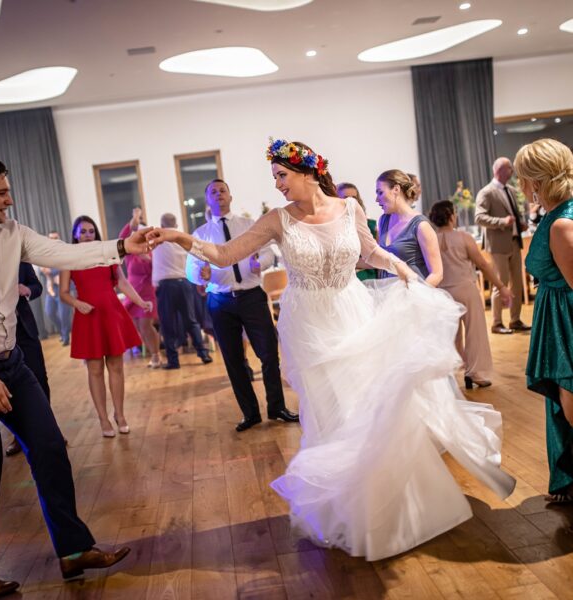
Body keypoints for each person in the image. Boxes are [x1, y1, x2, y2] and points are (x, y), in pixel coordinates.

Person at [147, 139, 515, 561]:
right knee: (335, 415)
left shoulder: (350, 208)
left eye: (282, 175)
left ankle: (388, 505)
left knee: (369, 409)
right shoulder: (277, 219)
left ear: (307, 171)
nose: (278, 184)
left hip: (352, 312)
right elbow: (225, 253)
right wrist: (179, 237)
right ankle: (350, 510)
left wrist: (401, 268)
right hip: (309, 327)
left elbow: (370, 251)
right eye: (275, 178)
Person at [0, 159, 151, 596]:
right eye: (1, 192)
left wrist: (123, 247)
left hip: (11, 363)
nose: (10, 199)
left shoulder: (13, 233)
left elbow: (67, 255)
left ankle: (73, 550)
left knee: (50, 448)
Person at [186, 178, 298, 432]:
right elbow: (191, 269)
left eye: (222, 190)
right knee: (234, 360)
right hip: (220, 301)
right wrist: (200, 275)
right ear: (208, 200)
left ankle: (277, 407)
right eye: (213, 192)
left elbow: (268, 251)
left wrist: (262, 263)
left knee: (268, 353)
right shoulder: (201, 234)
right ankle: (250, 414)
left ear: (230, 196)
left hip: (252, 296)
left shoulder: (249, 225)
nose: (218, 194)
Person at [514, 139, 573, 503]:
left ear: (536, 181)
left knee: (571, 403)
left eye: (523, 178)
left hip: (566, 323)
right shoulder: (557, 214)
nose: (520, 185)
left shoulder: (561, 223)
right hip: (557, 318)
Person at [60, 215, 151, 438]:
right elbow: (63, 293)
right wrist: (77, 303)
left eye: (91, 231)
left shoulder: (106, 254)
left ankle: (120, 415)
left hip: (111, 313)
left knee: (116, 367)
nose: (87, 235)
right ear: (75, 235)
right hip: (88, 316)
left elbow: (122, 282)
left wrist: (140, 302)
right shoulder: (68, 259)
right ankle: (103, 419)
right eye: (83, 231)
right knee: (95, 370)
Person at [429, 201, 513, 389]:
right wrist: (501, 286)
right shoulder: (463, 237)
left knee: (450, 335)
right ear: (451, 216)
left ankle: (450, 374)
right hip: (466, 289)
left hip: (442, 292)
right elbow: (483, 265)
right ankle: (475, 373)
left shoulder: (430, 239)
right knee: (475, 332)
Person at [475, 158, 531, 334]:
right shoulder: (486, 192)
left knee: (517, 284)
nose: (512, 172)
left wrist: (520, 225)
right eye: (509, 168)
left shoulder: (511, 190)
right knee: (500, 284)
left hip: (515, 242)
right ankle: (497, 323)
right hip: (498, 246)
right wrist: (502, 222)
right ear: (499, 170)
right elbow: (479, 218)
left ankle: (515, 320)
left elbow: (513, 215)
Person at [4, 262, 53, 458]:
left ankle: (49, 431)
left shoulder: (19, 259)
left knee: (40, 379)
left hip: (25, 330)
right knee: (8, 386)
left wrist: (27, 289)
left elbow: (37, 286)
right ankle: (19, 436)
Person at [152, 212, 212, 369]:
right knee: (191, 321)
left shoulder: (158, 240)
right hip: (185, 283)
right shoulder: (183, 238)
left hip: (166, 286)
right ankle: (203, 354)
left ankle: (173, 361)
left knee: (167, 323)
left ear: (162, 225)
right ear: (177, 224)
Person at [375, 169, 443, 287]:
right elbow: (379, 259)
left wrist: (416, 294)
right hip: (387, 293)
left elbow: (437, 274)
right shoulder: (383, 220)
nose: (377, 199)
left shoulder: (421, 225)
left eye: (380, 192)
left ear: (396, 190)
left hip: (414, 293)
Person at [119, 208, 161, 368]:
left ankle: (156, 356)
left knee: (145, 325)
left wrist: (148, 259)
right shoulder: (130, 252)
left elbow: (159, 269)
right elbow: (123, 235)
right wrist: (135, 216)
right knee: (139, 327)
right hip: (132, 293)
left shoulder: (153, 252)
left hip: (147, 293)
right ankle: (153, 353)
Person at [337, 182, 377, 281]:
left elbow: (375, 260)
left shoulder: (371, 225)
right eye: (346, 198)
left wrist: (349, 263)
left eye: (354, 198)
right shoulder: (331, 226)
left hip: (366, 275)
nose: (351, 202)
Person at [40, 230, 72, 346]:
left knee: (64, 315)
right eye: (51, 238)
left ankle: (65, 337)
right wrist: (44, 271)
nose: (53, 240)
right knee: (50, 312)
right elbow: (42, 270)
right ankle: (62, 331)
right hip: (51, 289)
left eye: (55, 238)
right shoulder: (45, 254)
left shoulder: (64, 253)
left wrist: (51, 271)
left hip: (62, 288)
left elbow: (66, 267)